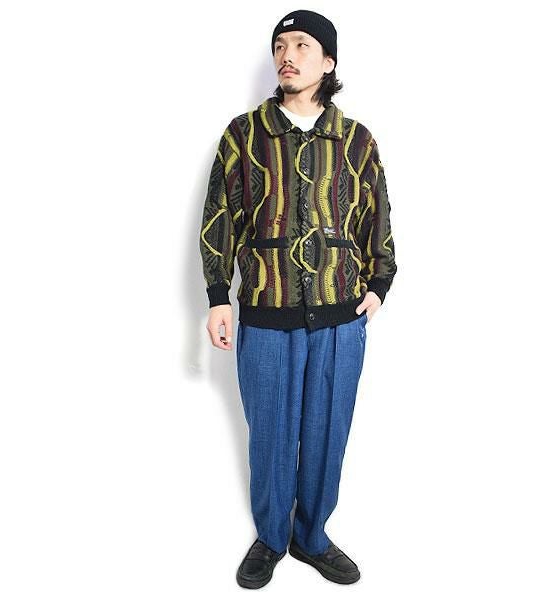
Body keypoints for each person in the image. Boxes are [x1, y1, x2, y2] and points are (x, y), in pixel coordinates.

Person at [199, 9, 397, 588]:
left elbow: (378, 216)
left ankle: (312, 536)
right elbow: (219, 215)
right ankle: (270, 537)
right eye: (280, 45)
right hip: (266, 313)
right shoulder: (244, 134)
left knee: (328, 433)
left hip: (341, 318)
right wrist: (218, 296)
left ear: (328, 61)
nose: (288, 55)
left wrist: (379, 285)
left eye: (303, 44)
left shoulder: (357, 140)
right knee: (271, 433)